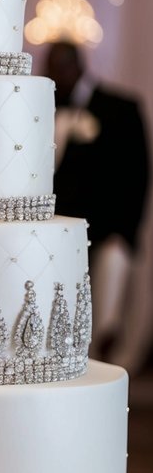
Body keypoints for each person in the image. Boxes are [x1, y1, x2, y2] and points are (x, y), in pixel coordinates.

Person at [46, 39, 149, 358]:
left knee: (106, 308)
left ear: (78, 65)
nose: (55, 74)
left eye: (61, 66)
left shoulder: (120, 108)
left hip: (107, 230)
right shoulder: (38, 108)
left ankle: (105, 358)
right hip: (54, 232)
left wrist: (124, 233)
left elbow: (138, 176)